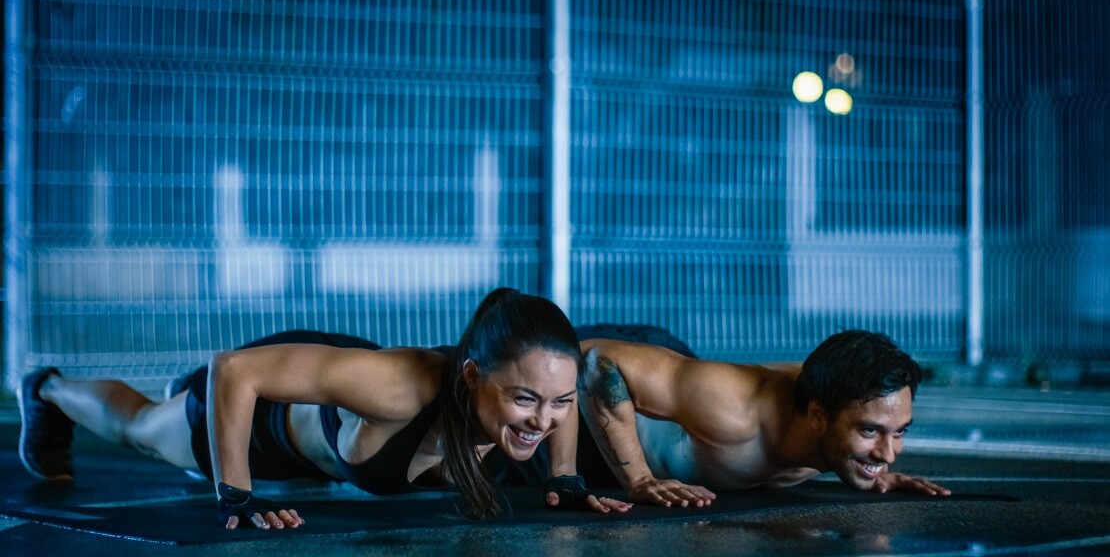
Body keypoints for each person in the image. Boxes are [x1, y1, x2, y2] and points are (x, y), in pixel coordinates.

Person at [17, 288, 632, 528]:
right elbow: (233, 369)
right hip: (263, 420)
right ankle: (47, 388)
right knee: (140, 428)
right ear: (472, 378)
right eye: (524, 399)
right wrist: (236, 492)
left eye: (557, 401)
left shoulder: (540, 400)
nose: (543, 418)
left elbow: (562, 403)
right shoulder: (401, 388)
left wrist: (565, 477)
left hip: (327, 445)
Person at [572, 326, 951, 507]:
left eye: (898, 432)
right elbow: (595, 359)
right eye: (871, 432)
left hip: (679, 413)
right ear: (817, 414)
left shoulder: (841, 408)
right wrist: (638, 478)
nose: (888, 454)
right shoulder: (733, 408)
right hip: (591, 419)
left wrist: (869, 467)